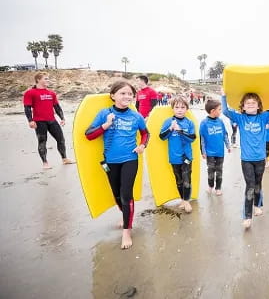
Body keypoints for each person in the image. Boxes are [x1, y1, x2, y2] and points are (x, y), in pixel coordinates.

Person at [85, 80, 149, 249]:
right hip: (110, 161)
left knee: (126, 194)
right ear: (113, 96)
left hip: (130, 159)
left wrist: (143, 145)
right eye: (123, 93)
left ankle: (127, 231)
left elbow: (145, 133)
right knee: (117, 194)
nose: (127, 96)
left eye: (130, 94)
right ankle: (125, 215)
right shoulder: (104, 113)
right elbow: (89, 135)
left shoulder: (136, 116)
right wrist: (105, 125)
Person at [222, 85, 269, 229]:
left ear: (258, 106)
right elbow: (225, 111)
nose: (250, 104)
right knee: (250, 186)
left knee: (258, 184)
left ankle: (258, 204)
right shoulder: (240, 118)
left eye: (253, 103)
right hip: (246, 160)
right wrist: (224, 96)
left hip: (261, 159)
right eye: (247, 103)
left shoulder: (263, 117)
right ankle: (247, 216)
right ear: (242, 107)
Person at [23, 72, 75, 169]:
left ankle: (64, 159)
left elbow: (57, 107)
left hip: (52, 120)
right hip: (39, 121)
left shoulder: (51, 93)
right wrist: (30, 120)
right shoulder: (30, 93)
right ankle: (45, 163)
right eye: (46, 79)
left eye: (48, 79)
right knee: (42, 142)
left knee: (61, 139)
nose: (48, 80)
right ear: (38, 80)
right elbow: (27, 108)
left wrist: (62, 118)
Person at [159, 96, 196, 213]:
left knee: (186, 180)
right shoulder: (168, 122)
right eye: (177, 107)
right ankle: (183, 199)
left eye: (183, 107)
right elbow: (161, 137)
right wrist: (170, 129)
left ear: (187, 109)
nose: (180, 110)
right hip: (174, 157)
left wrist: (180, 130)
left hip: (187, 157)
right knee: (179, 180)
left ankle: (186, 201)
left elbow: (192, 138)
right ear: (173, 108)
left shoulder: (189, 123)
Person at [200, 99, 230, 196]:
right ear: (213, 111)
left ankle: (218, 188)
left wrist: (228, 145)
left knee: (219, 170)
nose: (221, 111)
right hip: (210, 153)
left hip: (220, 152)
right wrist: (203, 152)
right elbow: (202, 139)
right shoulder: (204, 123)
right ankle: (210, 186)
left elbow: (225, 134)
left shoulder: (220, 121)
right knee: (211, 170)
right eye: (219, 109)